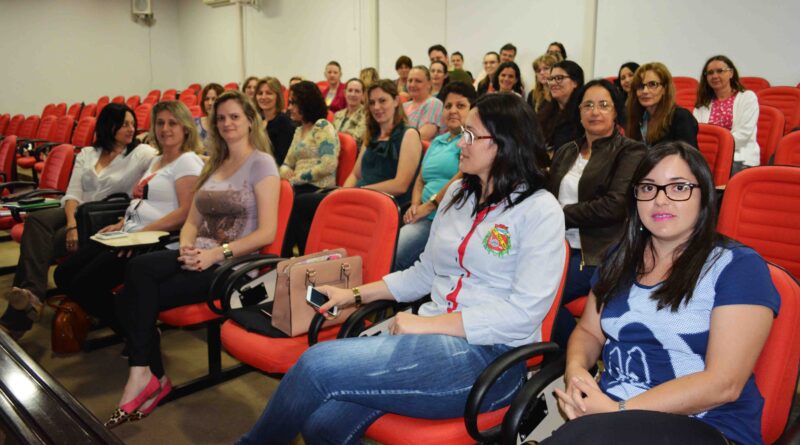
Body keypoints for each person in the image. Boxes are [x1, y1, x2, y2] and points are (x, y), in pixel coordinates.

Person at [236, 92, 566, 445]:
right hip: (430, 337)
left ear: (505, 143)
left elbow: (524, 313)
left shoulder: (540, 210)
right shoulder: (458, 194)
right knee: (322, 424)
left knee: (315, 367)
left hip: (488, 359)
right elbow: (424, 273)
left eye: (470, 136)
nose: (460, 145)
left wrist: (426, 324)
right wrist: (352, 294)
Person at [541, 142, 778, 445]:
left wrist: (618, 411)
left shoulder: (738, 266)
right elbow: (589, 330)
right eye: (648, 188)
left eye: (678, 188)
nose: (660, 200)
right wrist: (577, 372)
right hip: (611, 416)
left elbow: (724, 384)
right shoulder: (620, 257)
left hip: (702, 425)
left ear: (703, 194)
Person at [106, 90, 280, 427]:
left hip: (232, 265)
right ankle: (146, 373)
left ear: (249, 121)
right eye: (222, 118)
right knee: (137, 268)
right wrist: (187, 246)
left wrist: (215, 253)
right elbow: (191, 222)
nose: (227, 123)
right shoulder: (213, 162)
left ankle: (148, 377)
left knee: (136, 296)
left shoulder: (261, 163)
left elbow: (267, 234)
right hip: (197, 253)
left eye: (234, 116)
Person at [0, 104, 156, 339]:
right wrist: (72, 224)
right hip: (78, 211)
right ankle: (32, 294)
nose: (131, 129)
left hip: (103, 215)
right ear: (108, 125)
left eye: (133, 124)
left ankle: (21, 314)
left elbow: (165, 162)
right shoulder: (88, 154)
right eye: (124, 124)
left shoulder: (141, 153)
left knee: (39, 246)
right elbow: (72, 193)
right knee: (37, 221)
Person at [53, 101, 204, 335]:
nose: (165, 128)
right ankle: (130, 321)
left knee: (83, 283)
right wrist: (122, 224)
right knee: (63, 273)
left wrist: (141, 234)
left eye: (172, 123)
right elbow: (143, 201)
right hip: (128, 234)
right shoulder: (157, 160)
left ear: (186, 128)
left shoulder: (187, 161)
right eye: (160, 123)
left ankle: (136, 332)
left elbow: (186, 213)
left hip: (153, 243)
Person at [546, 79, 647, 345]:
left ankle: (571, 358)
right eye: (587, 105)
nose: (595, 111)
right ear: (578, 113)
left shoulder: (631, 151)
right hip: (553, 246)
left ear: (615, 112)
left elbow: (614, 205)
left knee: (540, 296)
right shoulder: (567, 151)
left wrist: (556, 213)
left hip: (597, 254)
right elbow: (545, 196)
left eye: (604, 105)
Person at [281, 80, 422, 257]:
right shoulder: (372, 135)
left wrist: (359, 191)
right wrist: (344, 194)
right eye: (372, 102)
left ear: (395, 101)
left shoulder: (409, 134)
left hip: (384, 202)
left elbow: (400, 185)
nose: (376, 107)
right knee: (305, 210)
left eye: (382, 101)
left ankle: (287, 262)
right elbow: (355, 174)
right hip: (360, 196)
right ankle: (304, 264)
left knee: (301, 204)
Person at [394, 81, 475, 271]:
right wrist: (415, 205)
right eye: (448, 106)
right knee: (382, 245)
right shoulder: (437, 141)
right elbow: (421, 179)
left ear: (472, 110)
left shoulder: (471, 140)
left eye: (460, 105)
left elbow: (463, 176)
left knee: (393, 254)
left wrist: (429, 206)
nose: (453, 110)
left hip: (443, 217)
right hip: (421, 213)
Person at [693, 55, 760, 173]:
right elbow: (698, 133)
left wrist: (717, 149)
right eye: (710, 73)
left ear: (731, 73)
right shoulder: (703, 104)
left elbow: (744, 134)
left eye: (720, 71)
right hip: (708, 157)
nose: (714, 76)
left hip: (739, 158)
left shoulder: (747, 98)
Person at [280, 80, 340, 194]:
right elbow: (287, 163)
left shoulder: (322, 126)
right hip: (299, 188)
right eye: (289, 103)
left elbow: (328, 165)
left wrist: (297, 179)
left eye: (293, 103)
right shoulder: (299, 131)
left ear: (306, 104)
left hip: (319, 190)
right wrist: (284, 171)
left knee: (285, 202)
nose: (289, 108)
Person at [627, 62, 698, 148]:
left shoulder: (680, 117)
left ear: (665, 89)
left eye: (652, 84)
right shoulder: (639, 118)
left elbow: (687, 157)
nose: (645, 91)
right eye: (640, 86)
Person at [538, 60, 585, 152]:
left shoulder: (583, 114)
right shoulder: (545, 112)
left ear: (575, 82)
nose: (553, 83)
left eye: (559, 78)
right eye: (551, 79)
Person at [255, 77, 296, 165]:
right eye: (260, 93)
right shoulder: (255, 121)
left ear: (277, 96)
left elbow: (281, 159)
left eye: (269, 93)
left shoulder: (285, 123)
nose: (263, 97)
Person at [404, 66, 445, 141]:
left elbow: (425, 135)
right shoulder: (404, 106)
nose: (412, 85)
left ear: (429, 84)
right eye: (410, 81)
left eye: (418, 81)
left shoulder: (434, 103)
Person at [332, 78, 367, 146]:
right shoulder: (338, 114)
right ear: (345, 93)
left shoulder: (366, 115)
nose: (353, 94)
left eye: (357, 91)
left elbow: (356, 140)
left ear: (363, 95)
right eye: (350, 90)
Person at [196, 83, 224, 150]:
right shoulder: (195, 123)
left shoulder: (227, 125)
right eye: (207, 99)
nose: (210, 103)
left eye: (214, 99)